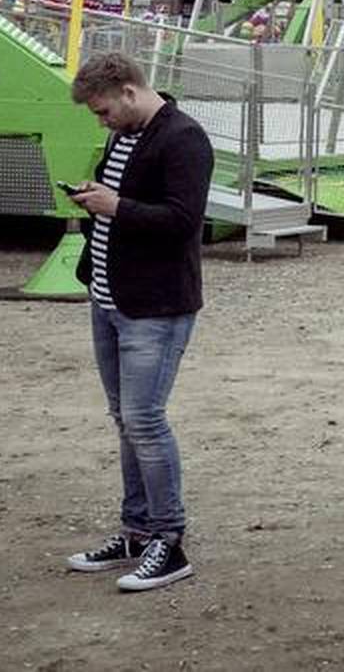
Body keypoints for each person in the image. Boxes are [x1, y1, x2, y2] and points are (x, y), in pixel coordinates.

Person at [63, 54, 214, 593]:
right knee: (125, 418)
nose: (101, 122)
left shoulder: (184, 138)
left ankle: (168, 542)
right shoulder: (123, 137)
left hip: (156, 305)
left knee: (144, 419)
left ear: (128, 92)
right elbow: (128, 204)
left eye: (104, 111)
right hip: (109, 297)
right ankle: (136, 529)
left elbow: (183, 221)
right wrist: (96, 200)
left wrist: (115, 206)